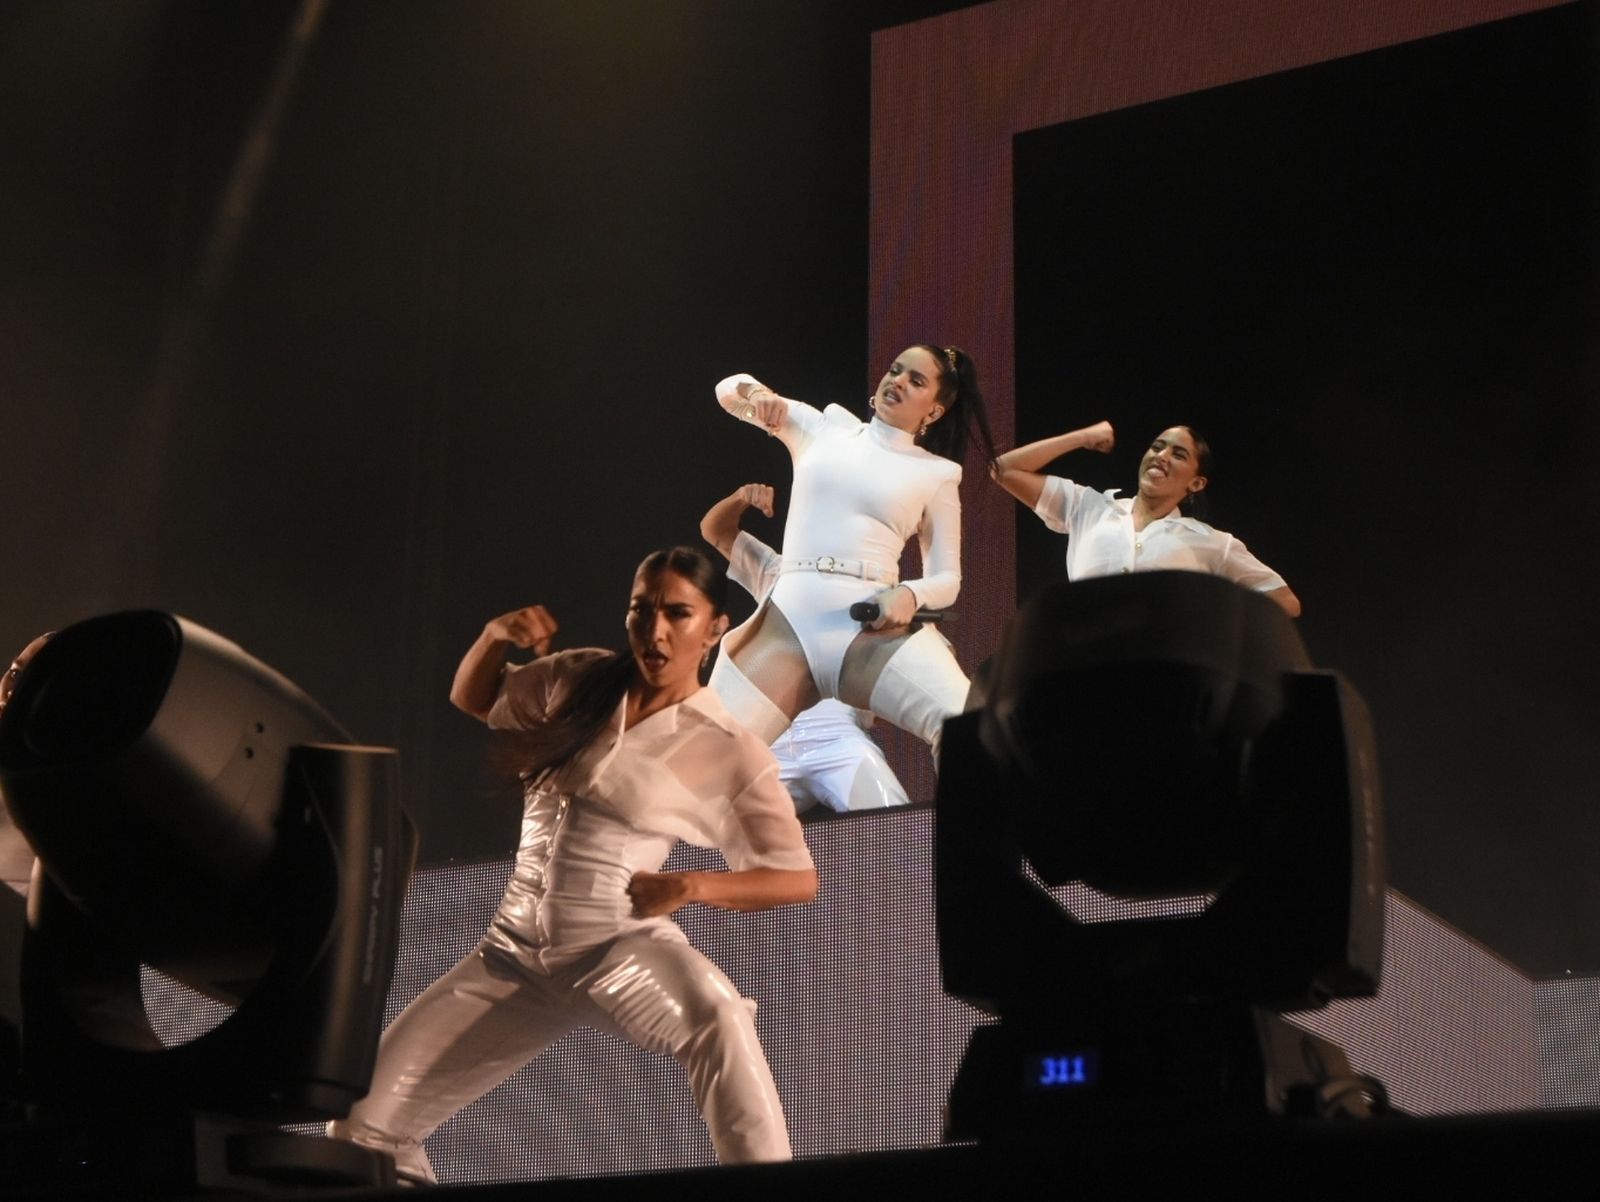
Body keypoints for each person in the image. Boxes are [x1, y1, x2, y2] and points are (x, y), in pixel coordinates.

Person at [327, 548, 817, 1183]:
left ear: (715, 626)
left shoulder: (728, 748)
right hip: (511, 954)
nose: (656, 631)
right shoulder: (580, 680)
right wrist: (492, 637)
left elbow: (796, 878)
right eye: (642, 611)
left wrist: (694, 885)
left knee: (717, 1016)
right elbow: (477, 698)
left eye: (678, 613)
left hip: (614, 943)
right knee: (359, 1124)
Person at [711, 346, 996, 760]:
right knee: (702, 759)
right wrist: (758, 398)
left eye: (916, 380)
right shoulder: (824, 428)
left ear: (933, 411)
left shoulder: (937, 474)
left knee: (970, 726)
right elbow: (727, 390)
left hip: (869, 626)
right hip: (789, 621)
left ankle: (968, 826)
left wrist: (910, 595)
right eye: (895, 370)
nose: (896, 380)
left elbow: (947, 579)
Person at [700, 483, 910, 814]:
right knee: (707, 822)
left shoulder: (883, 594)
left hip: (838, 739)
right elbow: (715, 530)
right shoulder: (779, 571)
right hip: (770, 737)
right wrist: (741, 498)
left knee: (892, 821)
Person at [990, 421, 1302, 616]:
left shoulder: (1212, 543)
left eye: (1178, 454)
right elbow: (1003, 469)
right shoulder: (1091, 508)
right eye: (1157, 447)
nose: (1161, 456)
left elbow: (1285, 601)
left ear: (1196, 483)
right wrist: (1082, 437)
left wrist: (1208, 615)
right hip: (1084, 665)